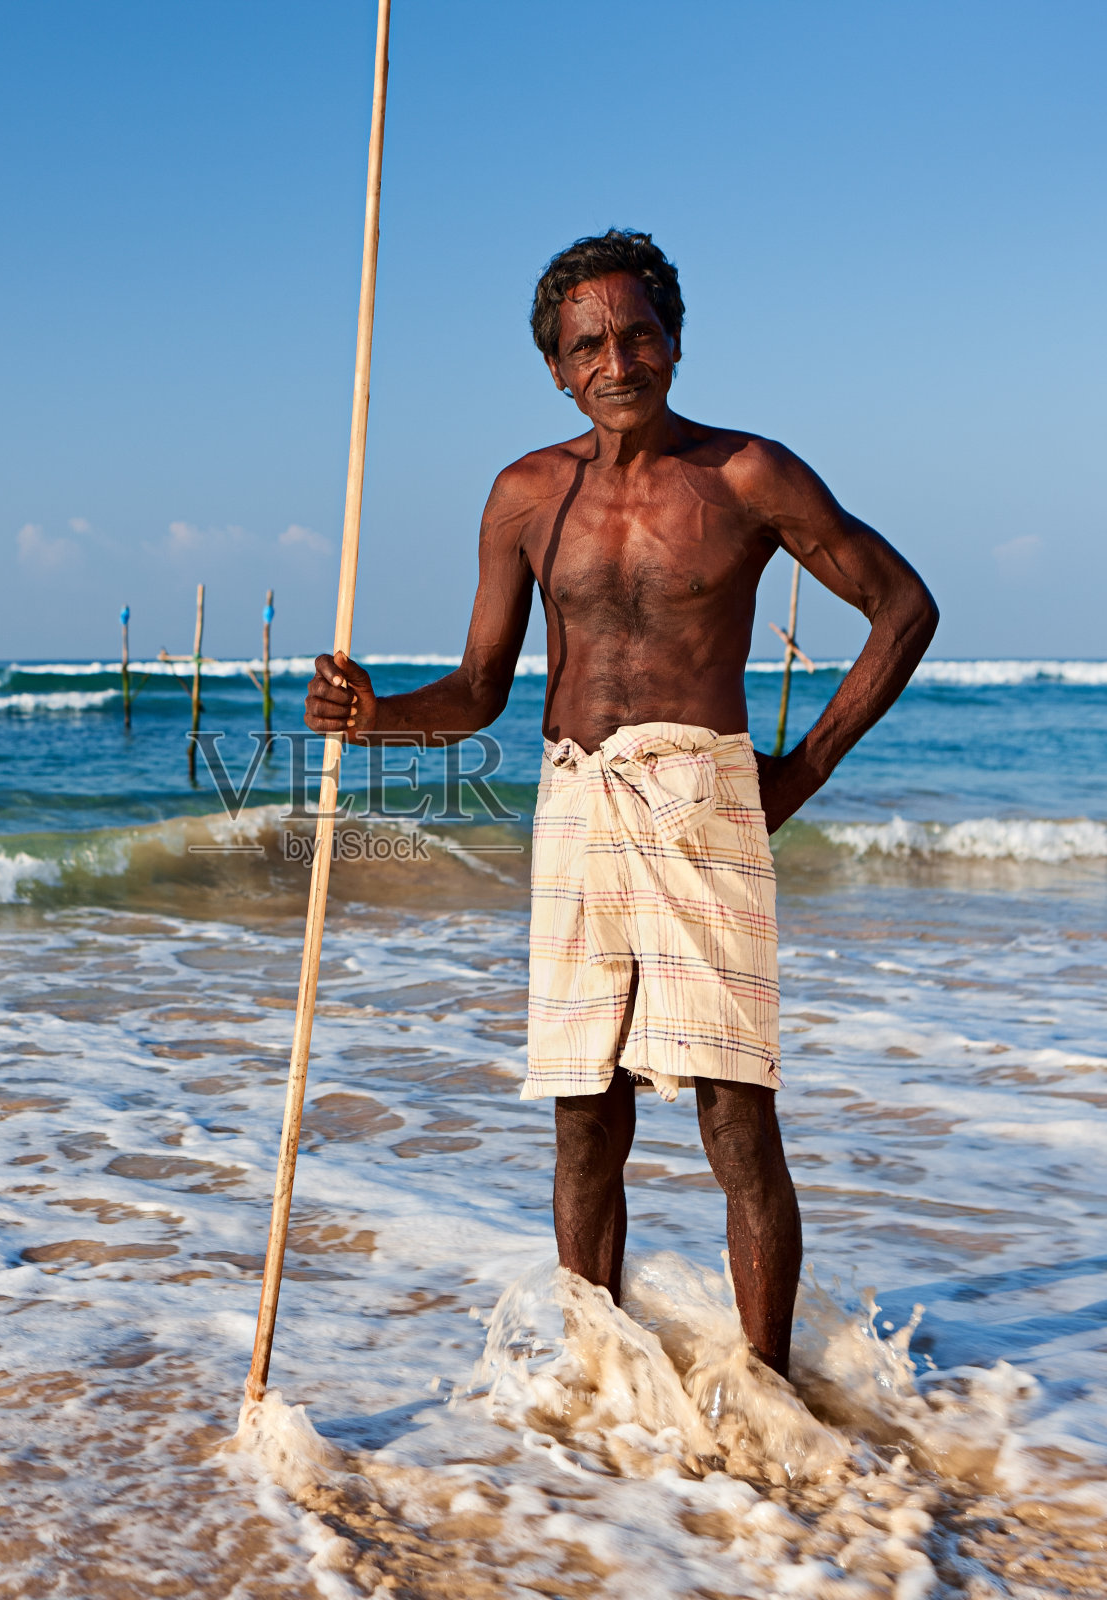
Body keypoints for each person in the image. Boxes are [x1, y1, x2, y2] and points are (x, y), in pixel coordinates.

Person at [304, 230, 938, 1378]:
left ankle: (763, 1389)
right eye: (587, 343)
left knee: (734, 1115)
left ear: (675, 341)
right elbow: (479, 690)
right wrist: (373, 715)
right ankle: (599, 1379)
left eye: (637, 333)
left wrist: (800, 769)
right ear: (556, 366)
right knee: (583, 1113)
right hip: (574, 802)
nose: (617, 359)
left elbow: (902, 608)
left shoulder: (748, 474)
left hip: (700, 798)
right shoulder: (524, 496)